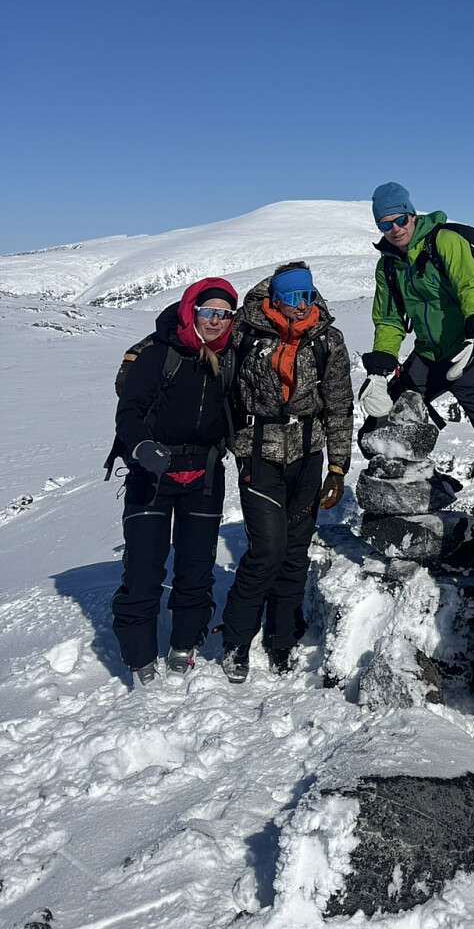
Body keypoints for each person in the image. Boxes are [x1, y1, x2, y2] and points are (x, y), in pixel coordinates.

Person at [220, 262, 352, 681]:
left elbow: (339, 405)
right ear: (275, 299)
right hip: (258, 451)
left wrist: (338, 466)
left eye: (307, 295)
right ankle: (237, 640)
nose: (301, 305)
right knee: (267, 551)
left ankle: (282, 640)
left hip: (309, 455)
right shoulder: (244, 332)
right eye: (292, 297)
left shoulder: (327, 339)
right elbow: (200, 347)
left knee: (295, 553)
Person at [110, 277, 239, 685]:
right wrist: (141, 446)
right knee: (144, 568)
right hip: (152, 474)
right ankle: (139, 655)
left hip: (204, 474)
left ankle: (185, 642)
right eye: (208, 312)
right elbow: (129, 411)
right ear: (191, 311)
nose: (216, 321)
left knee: (196, 567)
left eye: (224, 314)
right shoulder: (158, 354)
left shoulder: (230, 358)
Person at [358, 183, 474, 435]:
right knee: (378, 431)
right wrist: (380, 368)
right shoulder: (387, 266)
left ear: (412, 215)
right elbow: (389, 320)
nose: (395, 229)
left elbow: (469, 286)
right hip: (428, 357)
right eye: (385, 224)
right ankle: (405, 461)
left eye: (401, 220)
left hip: (469, 351)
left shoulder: (445, 241)